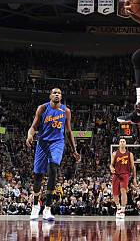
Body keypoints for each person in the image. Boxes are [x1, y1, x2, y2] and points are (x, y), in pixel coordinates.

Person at [26, 88, 81, 221]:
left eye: (59, 93)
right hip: (42, 143)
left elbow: (68, 132)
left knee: (54, 168)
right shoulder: (42, 108)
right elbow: (34, 126)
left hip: (57, 142)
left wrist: (74, 150)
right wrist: (29, 135)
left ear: (61, 97)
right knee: (38, 175)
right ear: (50, 96)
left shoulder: (66, 111)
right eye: (54, 93)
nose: (56, 94)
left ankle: (48, 208)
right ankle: (35, 206)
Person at [110, 138, 137, 219]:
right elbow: (111, 164)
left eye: (123, 141)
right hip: (116, 174)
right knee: (114, 194)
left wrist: (135, 178)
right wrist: (111, 168)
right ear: (119, 143)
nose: (122, 142)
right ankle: (118, 208)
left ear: (125, 144)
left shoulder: (130, 154)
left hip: (125, 174)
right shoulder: (115, 154)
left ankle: (123, 209)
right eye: (121, 141)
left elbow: (133, 167)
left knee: (123, 191)